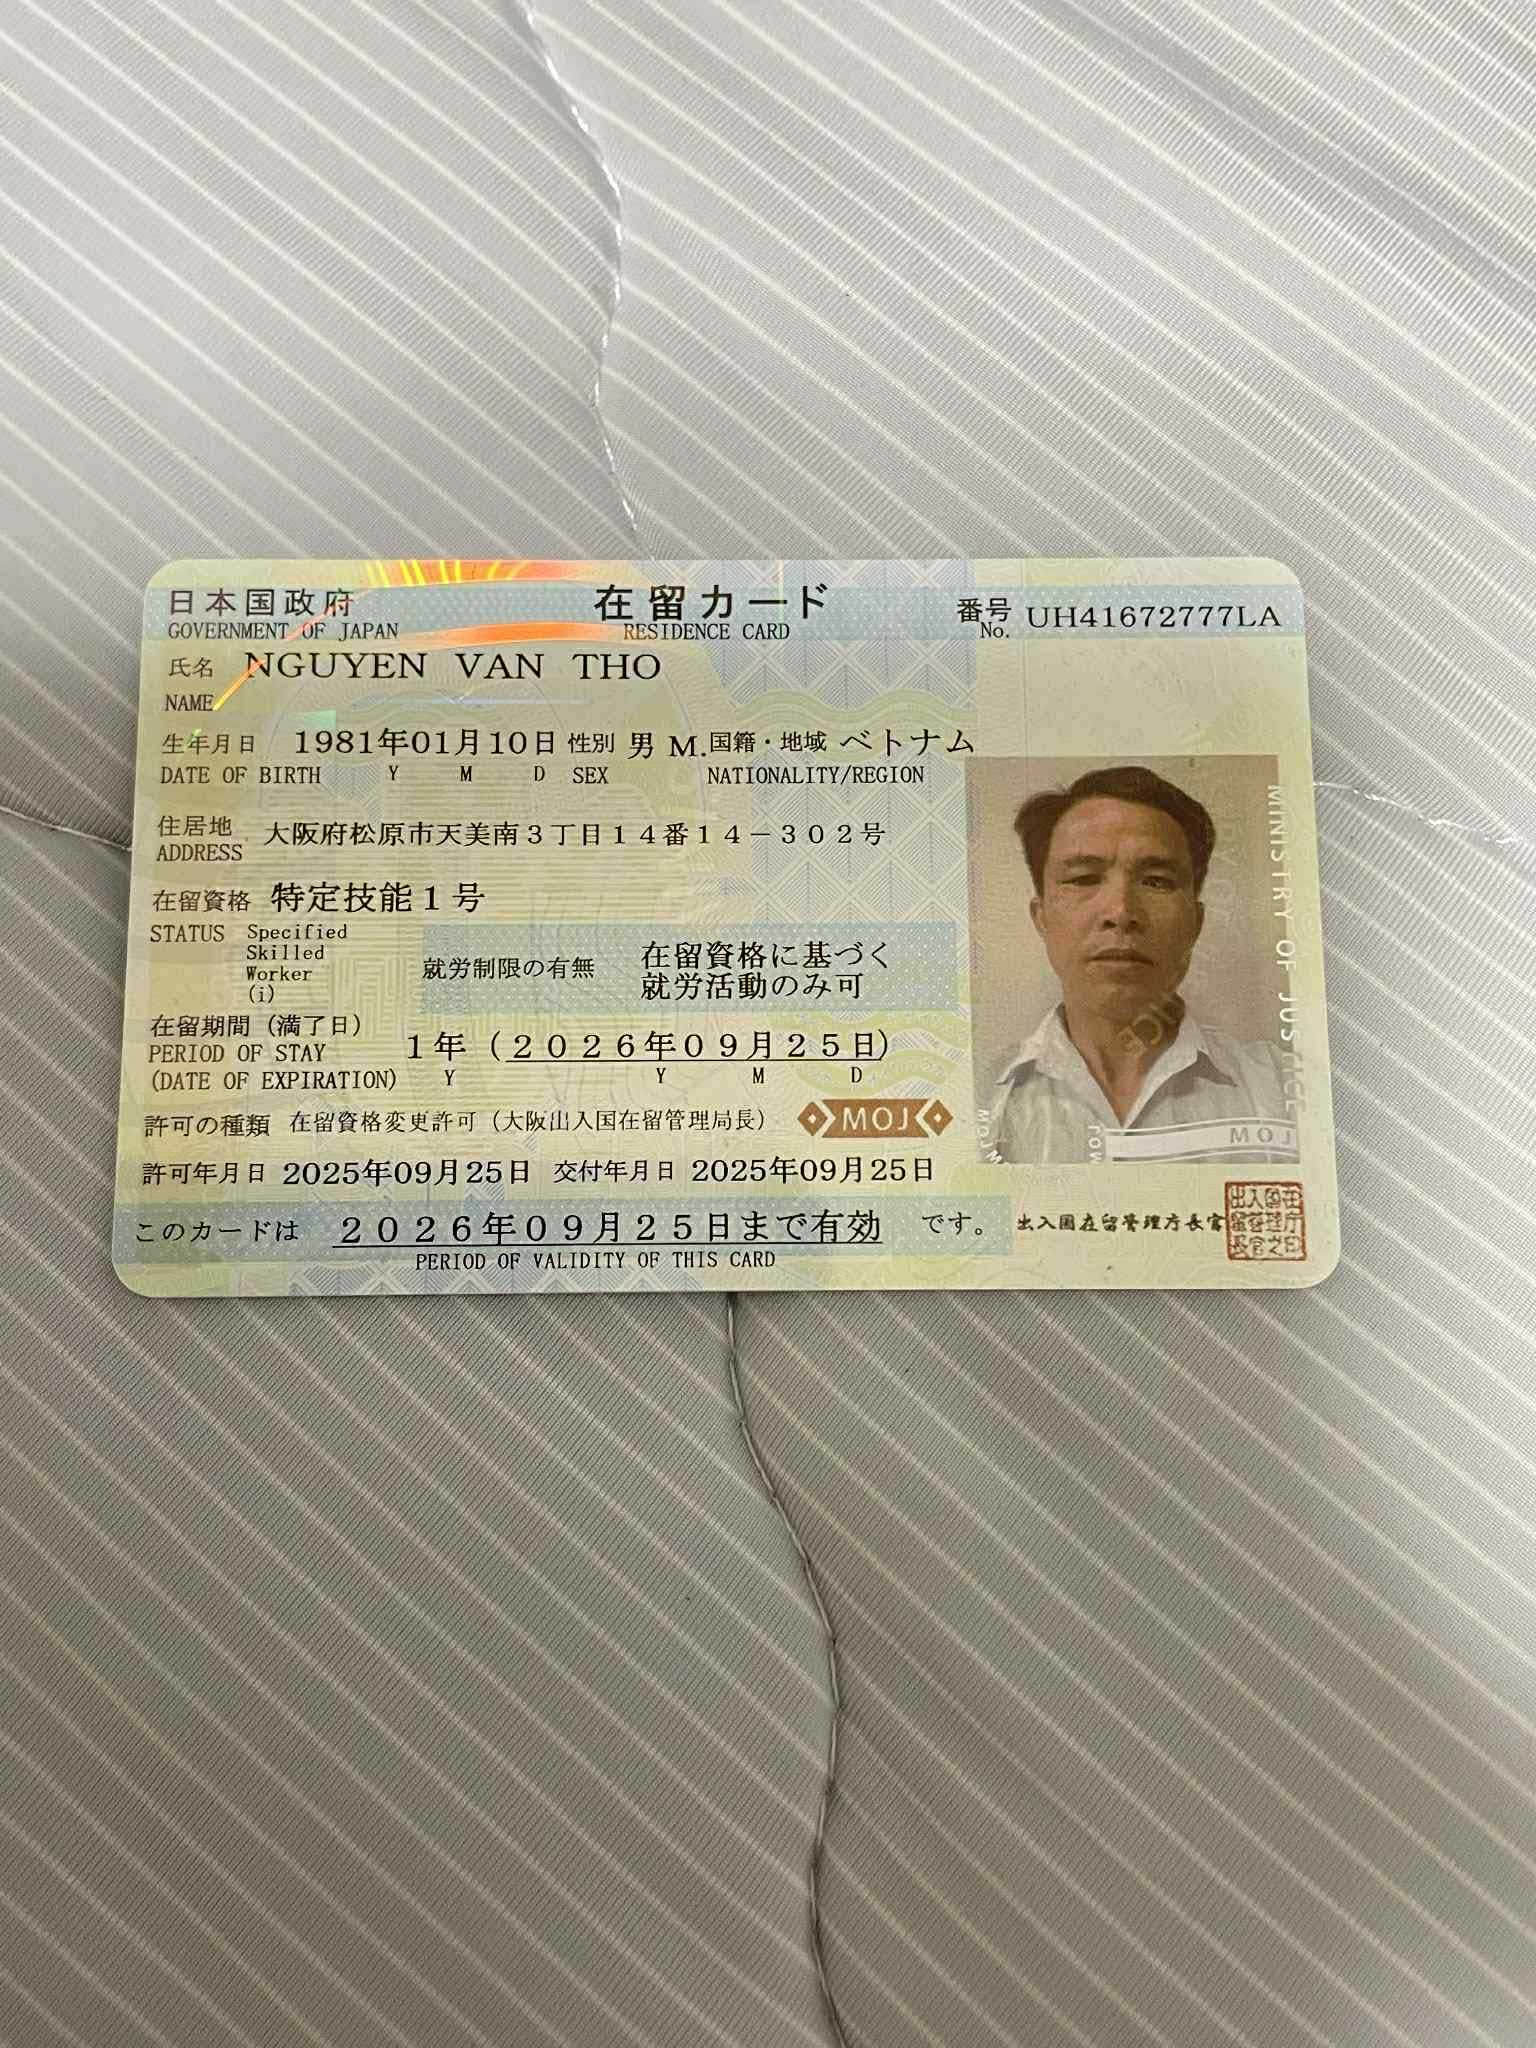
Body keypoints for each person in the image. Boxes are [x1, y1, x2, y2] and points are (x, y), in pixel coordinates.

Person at [982, 765, 1297, 1165]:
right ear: (1041, 916)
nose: (1120, 912)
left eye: (1156, 881)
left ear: (1196, 921)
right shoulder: (975, 1096)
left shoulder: (1285, 1090)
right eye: (1083, 879)